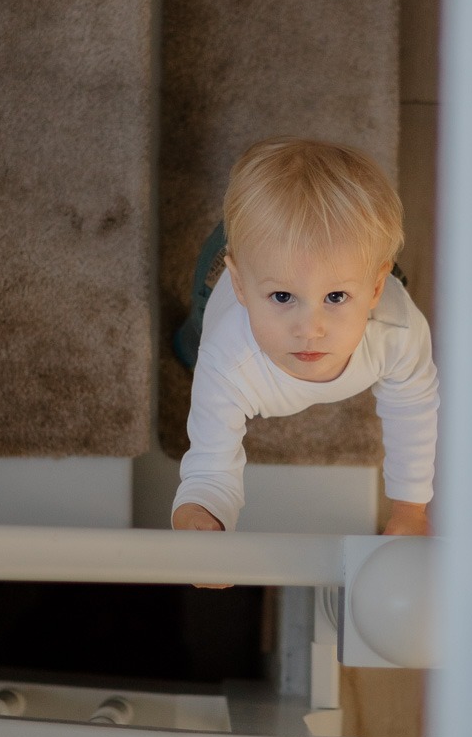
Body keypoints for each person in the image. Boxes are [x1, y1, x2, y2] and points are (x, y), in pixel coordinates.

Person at [172, 138, 438, 537]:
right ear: (242, 286)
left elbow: (413, 408)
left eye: (336, 297)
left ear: (377, 289)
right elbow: (211, 465)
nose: (310, 329)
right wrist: (199, 512)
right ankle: (188, 342)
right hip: (220, 289)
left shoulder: (396, 334)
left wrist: (410, 507)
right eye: (283, 296)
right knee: (198, 337)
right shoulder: (228, 357)